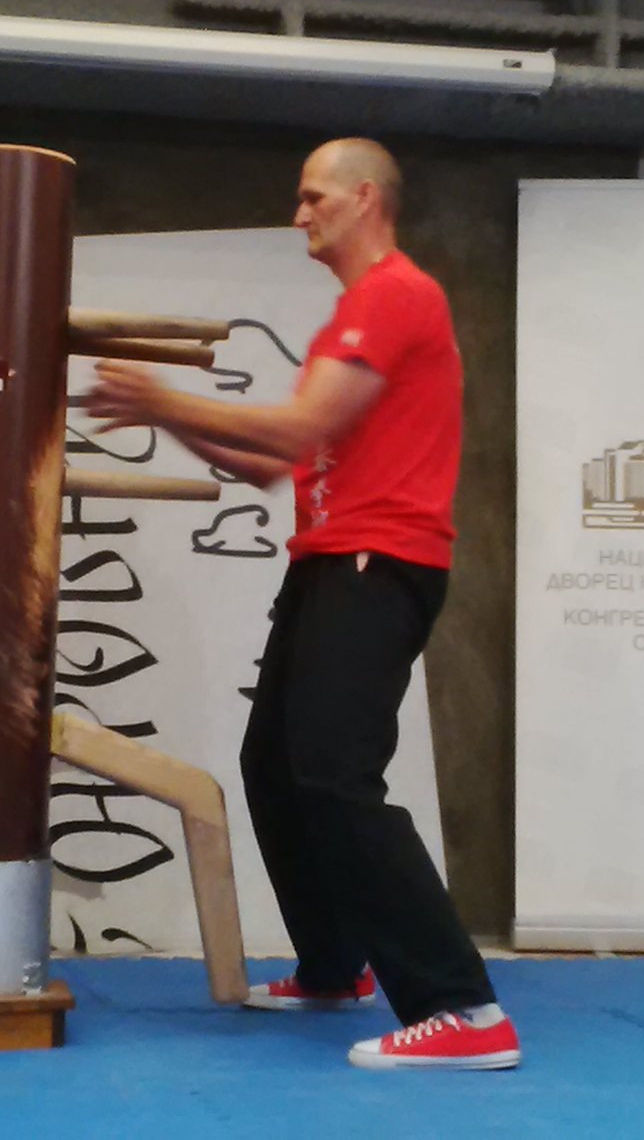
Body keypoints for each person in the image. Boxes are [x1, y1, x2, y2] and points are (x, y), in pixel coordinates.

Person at [86, 137, 519, 1071]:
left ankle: (463, 1008)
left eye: (314, 197)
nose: (300, 215)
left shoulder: (397, 294)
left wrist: (165, 395)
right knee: (275, 767)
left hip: (380, 560)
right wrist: (164, 414)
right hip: (329, 562)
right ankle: (332, 967)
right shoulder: (348, 322)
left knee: (333, 774)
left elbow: (295, 428)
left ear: (366, 198)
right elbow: (271, 463)